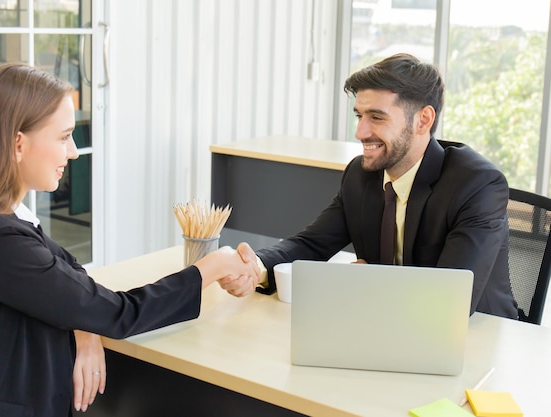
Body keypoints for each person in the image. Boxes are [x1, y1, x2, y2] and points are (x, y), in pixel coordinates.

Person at [0, 63, 259, 417]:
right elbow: (119, 313)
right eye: (63, 136)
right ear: (18, 143)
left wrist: (84, 326)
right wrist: (212, 266)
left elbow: (69, 276)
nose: (72, 152)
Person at [221, 53, 518, 319]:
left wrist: (371, 283)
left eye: (376, 117)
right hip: (386, 326)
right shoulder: (360, 176)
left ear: (423, 120)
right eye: (359, 116)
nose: (360, 131)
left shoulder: (476, 185)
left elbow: (450, 300)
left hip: (474, 340)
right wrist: (255, 267)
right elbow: (311, 244)